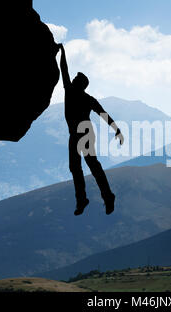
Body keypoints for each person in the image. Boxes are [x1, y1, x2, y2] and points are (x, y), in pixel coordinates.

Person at [56, 43, 124, 216]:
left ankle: (93, 198)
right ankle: (98, 198)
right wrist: (116, 128)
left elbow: (64, 69)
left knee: (81, 167)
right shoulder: (85, 97)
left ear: (79, 84)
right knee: (84, 167)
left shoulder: (70, 91)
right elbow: (103, 114)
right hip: (84, 133)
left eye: (75, 79)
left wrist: (62, 52)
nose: (72, 80)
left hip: (81, 134)